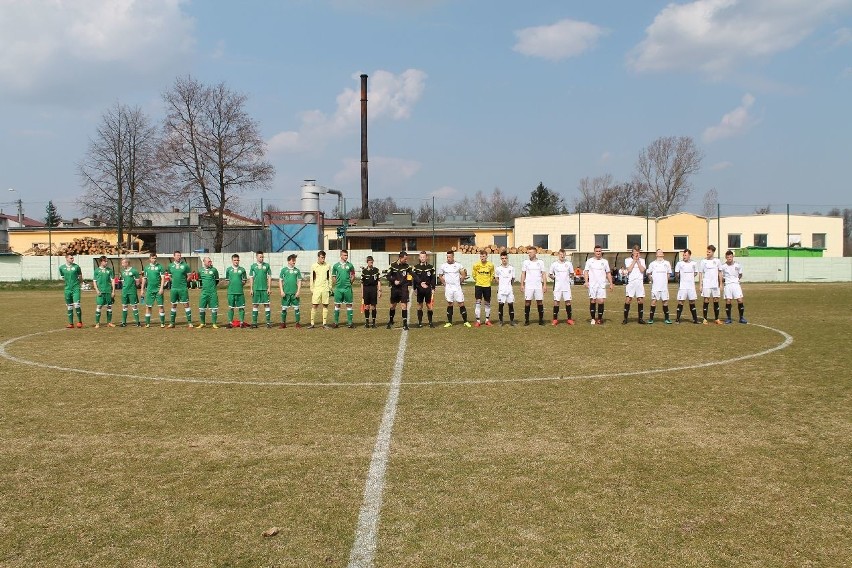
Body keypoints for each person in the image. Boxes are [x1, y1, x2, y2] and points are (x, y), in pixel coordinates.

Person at [583, 244, 613, 325]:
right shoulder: (589, 261)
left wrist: (611, 283)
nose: (598, 253)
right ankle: (593, 318)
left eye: (599, 251)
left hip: (601, 285)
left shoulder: (605, 262)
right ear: (594, 252)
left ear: (601, 252)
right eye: (597, 251)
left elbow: (608, 273)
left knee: (601, 301)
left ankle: (599, 319)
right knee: (593, 300)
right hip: (592, 285)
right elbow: (586, 272)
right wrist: (586, 281)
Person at [438, 250, 470, 328]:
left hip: (457, 287)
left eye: (450, 257)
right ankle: (449, 322)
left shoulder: (458, 265)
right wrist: (444, 283)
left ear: (453, 257)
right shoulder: (443, 266)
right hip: (448, 288)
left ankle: (465, 321)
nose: (448, 258)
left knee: (461, 303)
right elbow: (440, 275)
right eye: (447, 257)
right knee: (450, 303)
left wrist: (460, 282)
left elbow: (463, 274)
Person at [386, 251, 413, 330]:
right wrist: (394, 281)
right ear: (400, 258)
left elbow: (411, 275)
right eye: (405, 259)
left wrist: (411, 281)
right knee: (392, 306)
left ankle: (405, 324)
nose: (406, 260)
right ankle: (391, 321)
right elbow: (388, 276)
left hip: (403, 288)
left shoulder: (407, 266)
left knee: (404, 306)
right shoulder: (392, 265)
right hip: (395, 289)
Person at [521, 245, 546, 326]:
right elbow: (523, 274)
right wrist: (522, 284)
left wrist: (544, 285)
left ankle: (541, 320)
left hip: (538, 285)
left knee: (539, 302)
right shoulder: (526, 262)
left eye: (531, 252)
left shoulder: (540, 262)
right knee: (527, 302)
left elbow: (543, 274)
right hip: (528, 285)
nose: (529, 254)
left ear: (535, 253)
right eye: (528, 253)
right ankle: (527, 320)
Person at [548, 248, 575, 325]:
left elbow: (572, 274)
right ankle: (555, 319)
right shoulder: (554, 264)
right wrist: (555, 278)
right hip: (557, 287)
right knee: (556, 302)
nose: (562, 256)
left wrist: (568, 277)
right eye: (560, 254)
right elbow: (550, 274)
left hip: (566, 286)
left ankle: (569, 319)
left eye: (563, 254)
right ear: (558, 255)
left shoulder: (569, 263)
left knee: (568, 302)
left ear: (565, 255)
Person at [698, 245, 724, 325]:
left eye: (709, 252)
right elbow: (701, 273)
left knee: (716, 299)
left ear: (713, 252)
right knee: (706, 300)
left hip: (715, 284)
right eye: (707, 252)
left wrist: (721, 284)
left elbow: (720, 273)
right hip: (706, 284)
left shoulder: (717, 261)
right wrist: (700, 285)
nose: (707, 253)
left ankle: (717, 319)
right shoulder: (703, 261)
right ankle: (705, 319)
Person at [167, 250, 193, 328]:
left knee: (186, 304)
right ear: (174, 257)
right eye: (177, 255)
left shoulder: (185, 265)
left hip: (183, 288)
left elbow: (189, 276)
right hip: (174, 288)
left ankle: (189, 322)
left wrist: (185, 282)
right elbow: (170, 276)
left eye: (179, 255)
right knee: (173, 305)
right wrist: (173, 281)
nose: (178, 257)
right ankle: (172, 323)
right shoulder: (170, 266)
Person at [674, 248, 701, 324]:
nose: (684, 256)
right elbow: (676, 273)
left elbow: (696, 273)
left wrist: (690, 276)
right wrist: (678, 276)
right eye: (683, 255)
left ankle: (695, 319)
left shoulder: (694, 263)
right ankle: (677, 319)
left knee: (692, 302)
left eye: (685, 255)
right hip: (683, 286)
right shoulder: (679, 263)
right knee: (681, 302)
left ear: (689, 255)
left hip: (691, 286)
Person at [331, 249, 356, 328]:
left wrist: (350, 283)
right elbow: (333, 276)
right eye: (345, 255)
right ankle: (336, 323)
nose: (346, 257)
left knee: (349, 305)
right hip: (338, 289)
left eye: (347, 255)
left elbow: (353, 275)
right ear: (341, 256)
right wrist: (336, 284)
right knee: (337, 305)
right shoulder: (336, 266)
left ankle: (350, 322)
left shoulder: (350, 265)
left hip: (347, 288)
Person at [622, 245, 647, 324]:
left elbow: (642, 270)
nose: (636, 254)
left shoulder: (642, 260)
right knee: (628, 299)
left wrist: (638, 261)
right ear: (632, 253)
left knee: (640, 300)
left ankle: (640, 319)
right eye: (635, 253)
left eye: (638, 253)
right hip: (631, 282)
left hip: (639, 282)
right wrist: (634, 260)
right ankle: (625, 318)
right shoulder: (627, 260)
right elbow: (629, 269)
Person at [646, 249, 672, 324]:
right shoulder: (652, 264)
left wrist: (666, 280)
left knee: (665, 302)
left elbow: (669, 273)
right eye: (659, 252)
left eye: (661, 252)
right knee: (653, 301)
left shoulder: (667, 263)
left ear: (663, 254)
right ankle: (651, 319)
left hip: (664, 287)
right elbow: (648, 273)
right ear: (656, 254)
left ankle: (667, 318)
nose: (660, 253)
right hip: (655, 287)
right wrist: (651, 278)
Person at [411, 251, 436, 328]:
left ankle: (430, 322)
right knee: (419, 305)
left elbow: (433, 278)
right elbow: (414, 279)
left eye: (424, 257)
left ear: (426, 257)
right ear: (419, 257)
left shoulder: (431, 267)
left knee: (429, 305)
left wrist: (433, 288)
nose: (422, 258)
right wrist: (414, 288)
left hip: (428, 289)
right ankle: (420, 322)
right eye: (421, 257)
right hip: (419, 289)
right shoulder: (415, 267)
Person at [248, 251, 273, 328]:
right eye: (260, 257)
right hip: (256, 289)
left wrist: (269, 288)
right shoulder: (253, 266)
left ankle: (268, 323)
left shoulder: (267, 266)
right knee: (255, 305)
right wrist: (251, 289)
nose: (261, 258)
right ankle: (254, 323)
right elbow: (251, 278)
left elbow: (269, 277)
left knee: (267, 305)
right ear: (256, 257)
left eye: (262, 257)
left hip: (264, 289)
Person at [722, 250, 748, 324]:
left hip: (736, 284)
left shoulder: (738, 265)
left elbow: (740, 274)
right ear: (726, 258)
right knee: (728, 301)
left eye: (730, 257)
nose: (729, 258)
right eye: (727, 257)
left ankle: (741, 317)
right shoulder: (723, 266)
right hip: (727, 285)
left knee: (740, 300)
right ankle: (729, 318)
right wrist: (724, 281)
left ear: (733, 257)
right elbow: (721, 276)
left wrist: (736, 280)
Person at [470, 250, 495, 327]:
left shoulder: (491, 265)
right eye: (481, 256)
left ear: (487, 256)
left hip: (487, 286)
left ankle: (487, 320)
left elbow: (492, 274)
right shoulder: (476, 265)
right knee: (478, 302)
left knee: (487, 303)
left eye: (483, 256)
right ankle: (478, 321)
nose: (482, 258)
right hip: (479, 286)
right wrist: (478, 280)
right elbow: (473, 274)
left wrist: (489, 281)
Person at [141, 252, 166, 328]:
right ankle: (147, 323)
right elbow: (144, 279)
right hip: (150, 290)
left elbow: (162, 278)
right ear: (150, 259)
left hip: (158, 289)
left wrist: (161, 288)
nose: (154, 259)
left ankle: (162, 323)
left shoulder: (160, 267)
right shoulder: (146, 268)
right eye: (152, 258)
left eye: (155, 258)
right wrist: (142, 289)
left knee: (161, 306)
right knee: (148, 306)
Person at [59, 253, 84, 328]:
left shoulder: (76, 267)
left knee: (76, 304)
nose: (72, 259)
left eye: (73, 258)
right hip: (67, 289)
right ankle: (71, 323)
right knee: (69, 306)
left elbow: (80, 277)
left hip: (76, 288)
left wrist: (80, 283)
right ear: (66, 258)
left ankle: (80, 322)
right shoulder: (61, 268)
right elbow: (63, 277)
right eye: (71, 258)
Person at [195, 256, 220, 328]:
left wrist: (212, 287)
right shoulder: (200, 270)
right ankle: (202, 323)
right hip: (204, 292)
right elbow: (199, 280)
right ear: (204, 262)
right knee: (201, 308)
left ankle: (214, 324)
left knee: (214, 308)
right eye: (209, 261)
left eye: (210, 261)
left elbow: (217, 280)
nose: (210, 263)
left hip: (212, 292)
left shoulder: (214, 270)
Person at [278, 253, 302, 328]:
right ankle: (283, 323)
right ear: (288, 261)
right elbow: (280, 281)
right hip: (286, 293)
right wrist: (281, 291)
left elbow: (299, 281)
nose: (294, 262)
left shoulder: (297, 271)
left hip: (294, 293)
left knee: (296, 308)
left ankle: (297, 323)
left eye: (295, 260)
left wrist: (298, 291)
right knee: (284, 308)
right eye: (293, 260)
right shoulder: (284, 270)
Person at [309, 250, 331, 329]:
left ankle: (324, 323)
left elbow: (329, 278)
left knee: (325, 305)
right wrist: (312, 289)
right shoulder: (314, 266)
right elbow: (312, 278)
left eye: (324, 257)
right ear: (318, 257)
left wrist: (330, 288)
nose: (323, 259)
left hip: (325, 289)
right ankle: (312, 323)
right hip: (317, 289)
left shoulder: (327, 266)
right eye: (322, 257)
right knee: (315, 305)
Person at [92, 255, 116, 328]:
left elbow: (113, 280)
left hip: (108, 291)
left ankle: (109, 322)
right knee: (99, 306)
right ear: (101, 262)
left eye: (107, 261)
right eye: (105, 261)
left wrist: (113, 291)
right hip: (100, 291)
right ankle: (97, 323)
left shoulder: (109, 270)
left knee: (109, 306)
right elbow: (94, 281)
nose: (106, 262)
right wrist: (97, 290)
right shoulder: (97, 271)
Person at [225, 253, 248, 328]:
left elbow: (244, 281)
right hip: (231, 292)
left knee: (241, 307)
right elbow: (228, 281)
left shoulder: (242, 270)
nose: (236, 261)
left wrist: (239, 285)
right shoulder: (228, 270)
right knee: (231, 307)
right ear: (232, 260)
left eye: (237, 260)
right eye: (235, 260)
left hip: (240, 292)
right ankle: (230, 323)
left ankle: (241, 323)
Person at [495, 251, 517, 326]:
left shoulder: (511, 268)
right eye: (502, 258)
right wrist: (501, 284)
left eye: (505, 258)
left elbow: (513, 279)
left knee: (511, 304)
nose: (504, 259)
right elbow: (496, 278)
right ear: (501, 259)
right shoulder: (498, 268)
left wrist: (509, 285)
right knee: (501, 305)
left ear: (507, 259)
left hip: (509, 289)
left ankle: (512, 321)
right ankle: (501, 321)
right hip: (501, 290)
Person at [118, 258, 141, 327]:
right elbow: (123, 282)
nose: (122, 265)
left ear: (127, 263)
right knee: (124, 306)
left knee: (134, 306)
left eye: (123, 263)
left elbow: (138, 282)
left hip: (132, 291)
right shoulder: (122, 272)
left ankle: (137, 322)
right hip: (124, 291)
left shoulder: (134, 271)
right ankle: (124, 322)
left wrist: (132, 286)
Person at [360, 255, 382, 328]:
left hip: (373, 289)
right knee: (367, 306)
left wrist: (379, 290)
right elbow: (362, 283)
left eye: (372, 262)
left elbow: (378, 281)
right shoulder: (364, 271)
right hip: (366, 289)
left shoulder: (376, 270)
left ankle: (373, 323)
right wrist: (362, 293)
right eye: (370, 262)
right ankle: (367, 322)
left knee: (373, 306)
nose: (371, 263)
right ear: (367, 262)